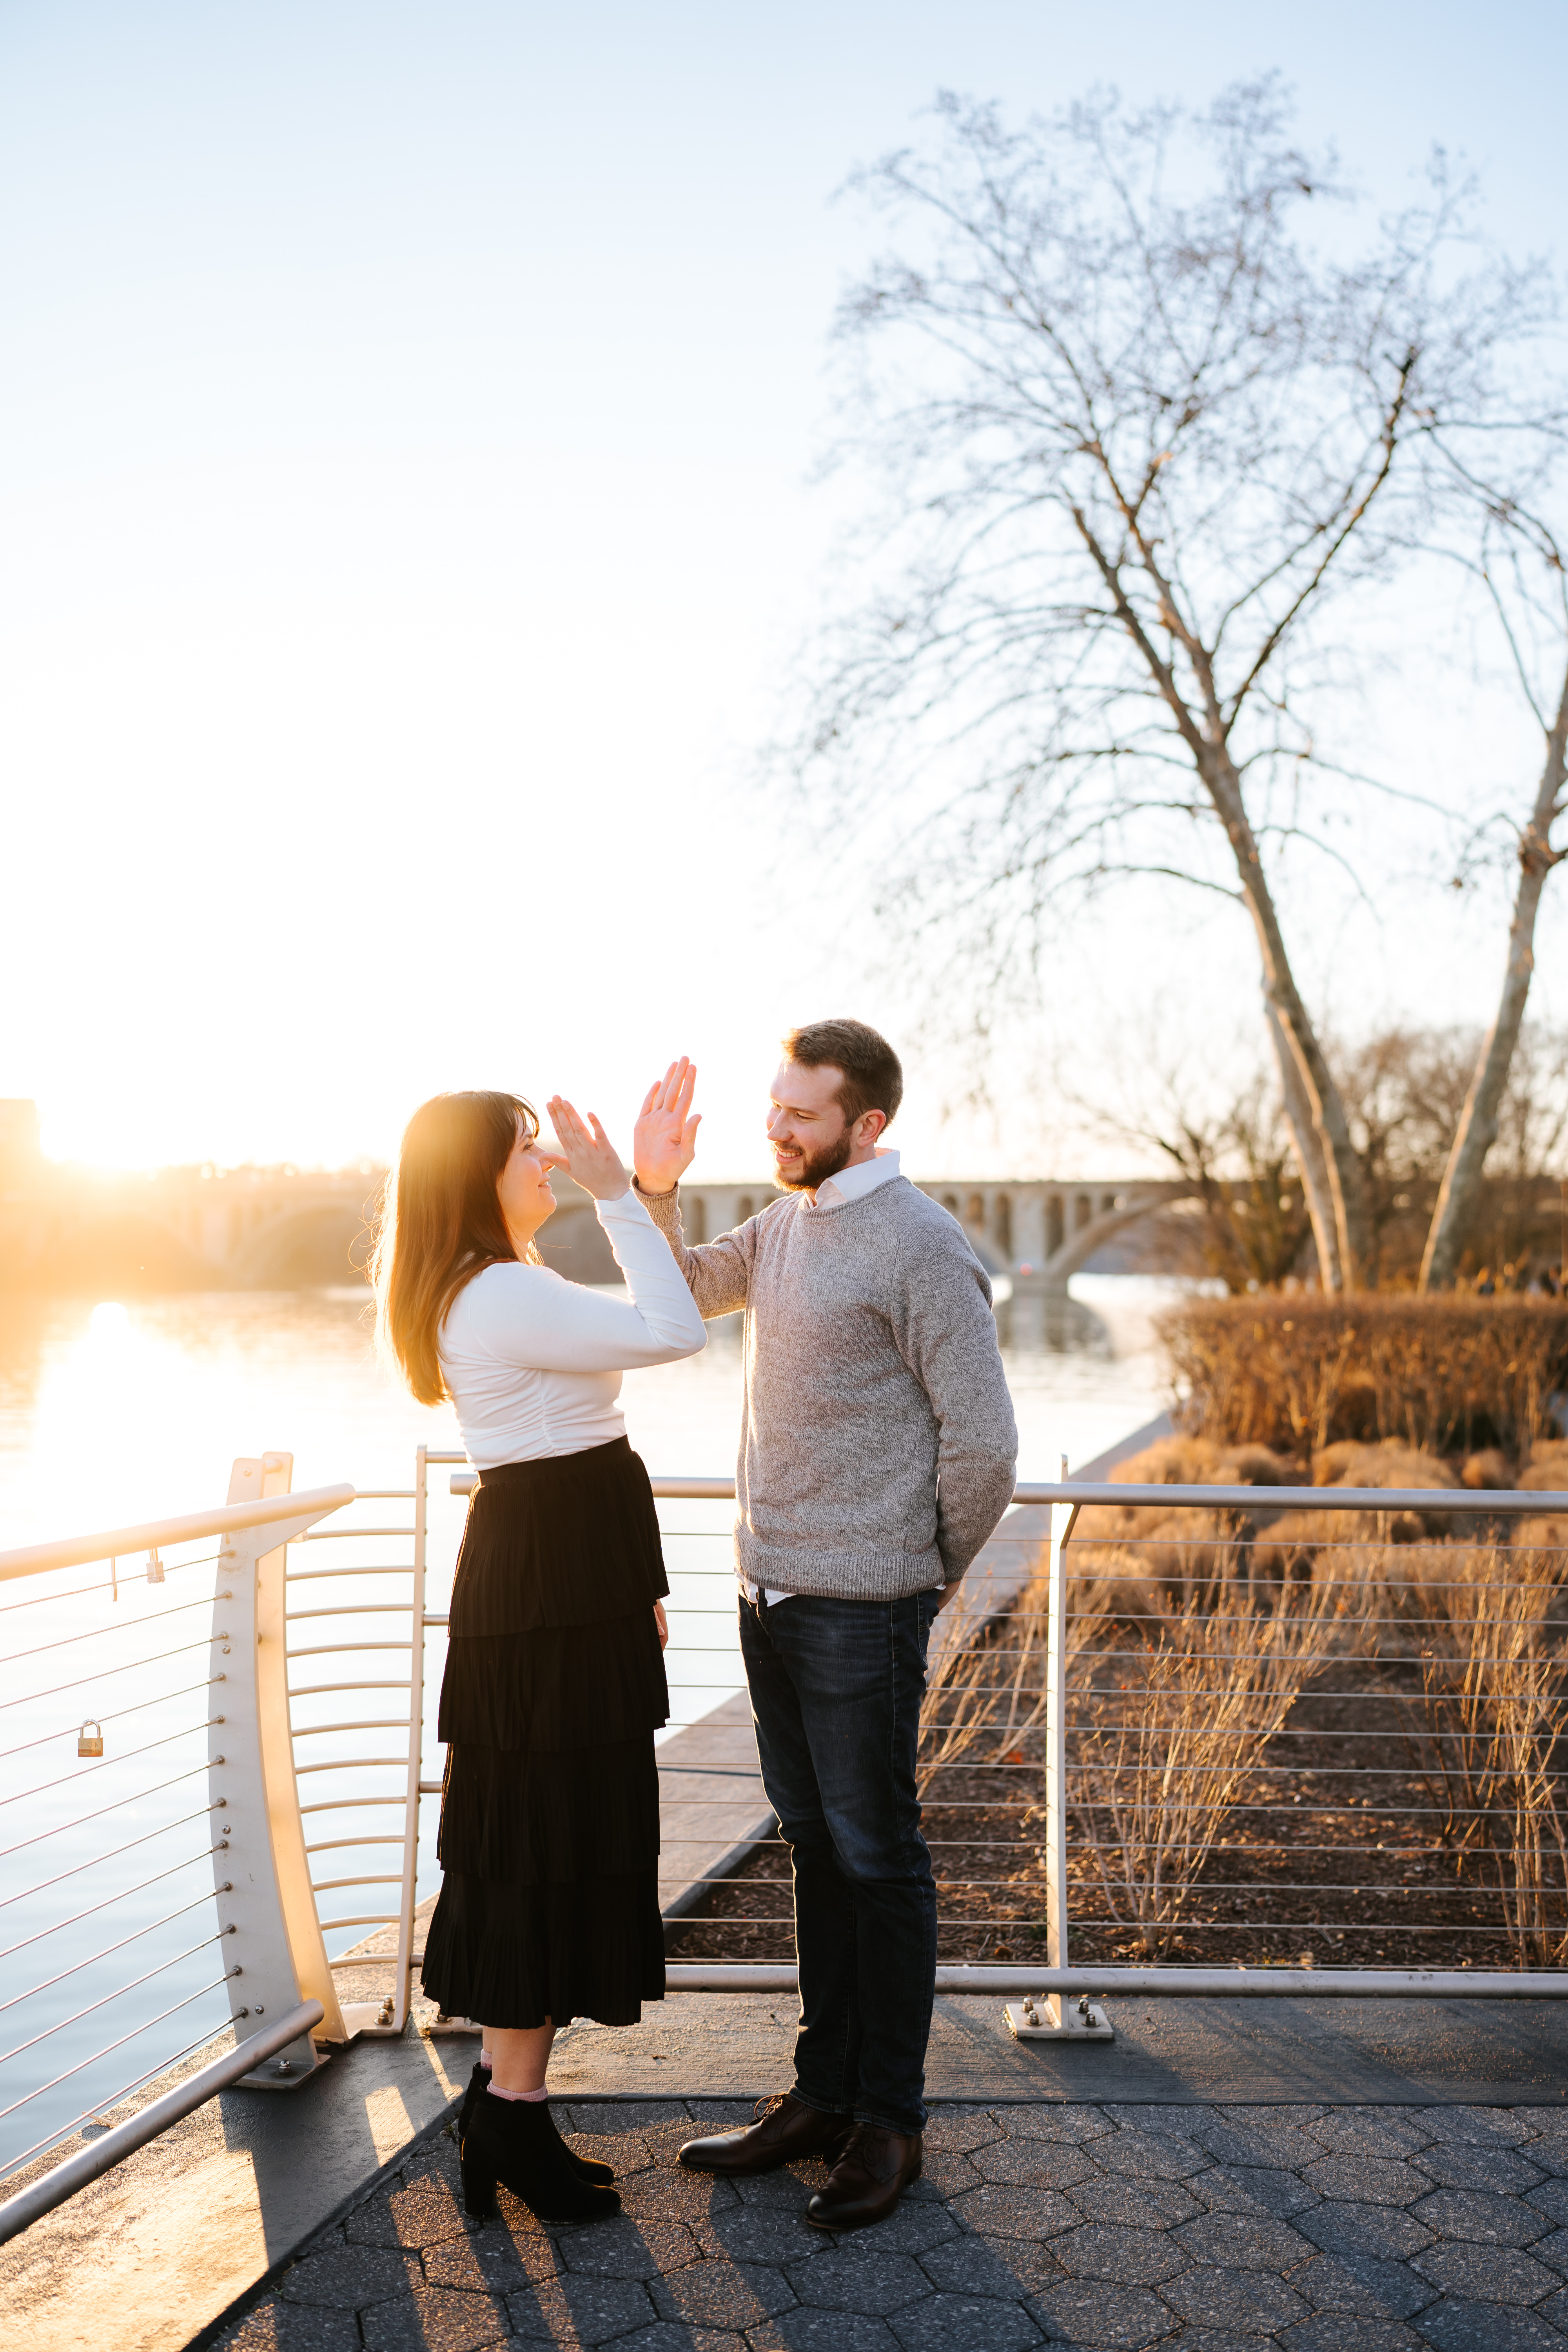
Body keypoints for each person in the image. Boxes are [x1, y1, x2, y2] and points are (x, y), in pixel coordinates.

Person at [632, 1021, 1018, 2231]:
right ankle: (820, 2096)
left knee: (878, 1861)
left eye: (802, 1113)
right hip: (769, 1594)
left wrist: (921, 1573)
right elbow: (681, 1292)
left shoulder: (922, 1245)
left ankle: (889, 2124)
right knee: (815, 1848)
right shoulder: (789, 1224)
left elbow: (988, 1444)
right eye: (776, 1104)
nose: (777, 1127)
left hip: (863, 1608)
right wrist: (648, 1187)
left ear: (869, 1125)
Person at [373, 1087, 706, 2223]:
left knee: (551, 1833)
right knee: (540, 1839)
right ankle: (511, 2115)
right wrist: (624, 1196)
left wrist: (644, 1193)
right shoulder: (502, 1293)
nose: (552, 1165)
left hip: (570, 1579)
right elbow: (675, 1329)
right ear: (478, 1175)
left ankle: (506, 2108)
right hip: (551, 1586)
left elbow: (598, 1410)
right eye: (530, 1152)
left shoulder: (507, 1282)